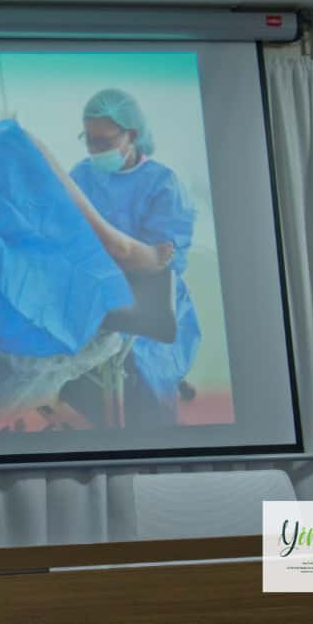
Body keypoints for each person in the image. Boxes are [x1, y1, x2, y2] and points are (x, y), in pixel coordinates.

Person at [58, 88, 200, 426]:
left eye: (103, 141)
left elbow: (163, 262)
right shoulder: (81, 176)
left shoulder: (163, 184)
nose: (94, 149)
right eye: (88, 139)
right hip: (95, 287)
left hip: (149, 294)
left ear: (131, 136)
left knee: (146, 376)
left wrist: (126, 255)